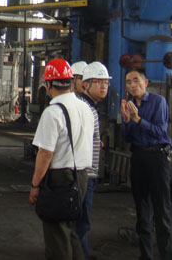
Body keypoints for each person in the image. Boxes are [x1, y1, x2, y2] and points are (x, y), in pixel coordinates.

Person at [29, 58, 94, 260]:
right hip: (81, 177)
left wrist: (35, 185)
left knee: (57, 234)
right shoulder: (85, 108)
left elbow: (45, 153)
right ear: (70, 81)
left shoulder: (53, 112)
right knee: (70, 230)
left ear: (49, 85)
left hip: (60, 178)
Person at [121, 69, 172, 260]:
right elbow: (127, 137)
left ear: (146, 82)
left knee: (162, 209)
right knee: (141, 208)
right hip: (138, 157)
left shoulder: (158, 102)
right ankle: (146, 255)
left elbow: (161, 132)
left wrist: (137, 120)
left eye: (136, 80)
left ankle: (167, 255)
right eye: (128, 82)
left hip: (157, 158)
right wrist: (126, 121)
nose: (132, 85)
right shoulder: (129, 105)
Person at [75, 61, 110, 259]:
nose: (104, 86)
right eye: (98, 82)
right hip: (84, 175)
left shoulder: (91, 108)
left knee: (82, 220)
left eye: (106, 82)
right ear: (85, 85)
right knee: (81, 221)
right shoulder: (85, 108)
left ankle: (82, 253)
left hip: (88, 174)